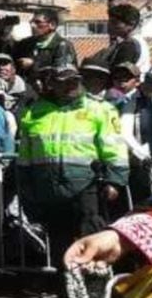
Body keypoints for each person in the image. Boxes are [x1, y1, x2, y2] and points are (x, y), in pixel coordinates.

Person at [17, 66, 130, 267]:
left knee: (91, 233)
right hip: (48, 185)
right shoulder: (34, 111)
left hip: (86, 184)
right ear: (53, 84)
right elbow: (25, 152)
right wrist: (25, 180)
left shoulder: (99, 109)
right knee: (58, 237)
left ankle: (92, 282)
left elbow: (114, 147)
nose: (71, 86)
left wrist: (115, 180)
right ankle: (66, 283)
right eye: (64, 82)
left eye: (74, 81)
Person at [17, 9, 76, 83]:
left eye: (38, 22)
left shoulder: (62, 45)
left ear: (52, 25)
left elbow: (61, 72)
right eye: (31, 22)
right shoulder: (25, 44)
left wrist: (33, 65)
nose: (32, 26)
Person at [125, 70, 152, 209]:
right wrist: (141, 152)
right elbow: (125, 132)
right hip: (141, 163)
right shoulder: (133, 100)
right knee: (143, 204)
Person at [100, 4, 149, 79]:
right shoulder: (137, 41)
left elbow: (117, 72)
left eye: (115, 23)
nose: (109, 26)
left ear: (131, 24)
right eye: (109, 22)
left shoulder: (130, 45)